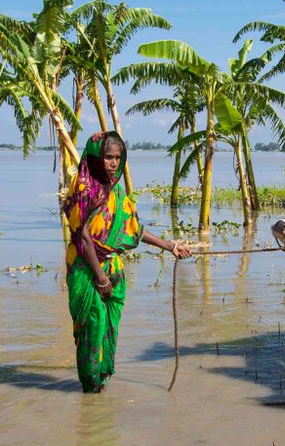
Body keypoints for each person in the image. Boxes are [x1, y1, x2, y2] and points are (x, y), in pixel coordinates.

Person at [62, 131, 191, 393]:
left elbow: (133, 230)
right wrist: (100, 278)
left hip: (112, 268)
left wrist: (170, 246)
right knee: (93, 324)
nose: (113, 163)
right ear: (97, 157)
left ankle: (101, 385)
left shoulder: (116, 190)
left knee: (110, 326)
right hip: (88, 270)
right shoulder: (85, 189)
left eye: (118, 158)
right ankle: (90, 387)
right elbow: (83, 238)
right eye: (108, 157)